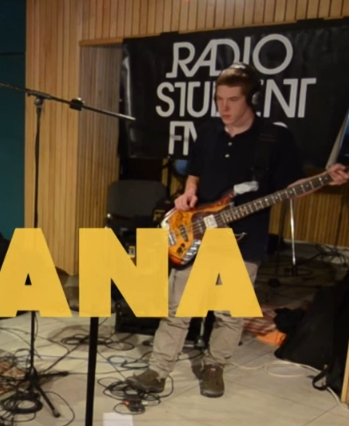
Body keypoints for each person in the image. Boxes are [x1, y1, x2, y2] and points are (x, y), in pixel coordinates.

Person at [129, 63, 349, 398]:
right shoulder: (208, 131)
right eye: (219, 99)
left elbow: (292, 187)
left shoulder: (274, 138)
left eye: (233, 100)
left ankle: (214, 366)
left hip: (245, 240)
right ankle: (158, 370)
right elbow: (195, 173)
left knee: (230, 313)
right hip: (198, 231)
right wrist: (189, 192)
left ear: (251, 99)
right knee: (178, 309)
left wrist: (323, 180)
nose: (224, 107)